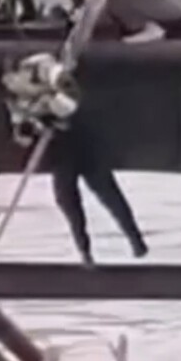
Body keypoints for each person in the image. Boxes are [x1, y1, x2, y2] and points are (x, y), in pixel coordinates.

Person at [50, 103, 147, 265]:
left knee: (108, 195)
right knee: (68, 201)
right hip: (60, 154)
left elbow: (70, 104)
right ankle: (84, 250)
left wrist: (59, 118)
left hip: (85, 145)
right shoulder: (23, 101)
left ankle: (135, 240)